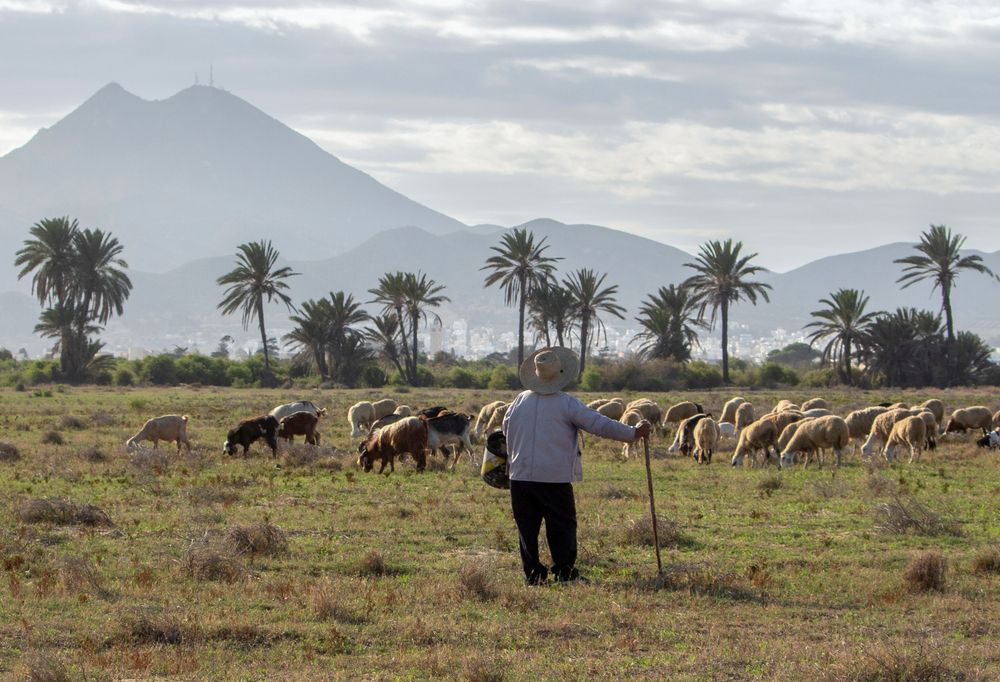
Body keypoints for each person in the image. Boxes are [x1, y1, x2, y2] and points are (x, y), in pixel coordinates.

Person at [502, 347, 652, 585]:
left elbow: (506, 430)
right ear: (561, 374)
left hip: (520, 477)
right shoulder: (566, 403)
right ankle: (564, 572)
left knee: (527, 528)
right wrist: (633, 433)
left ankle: (532, 575)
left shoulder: (519, 401)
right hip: (554, 478)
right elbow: (598, 424)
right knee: (561, 524)